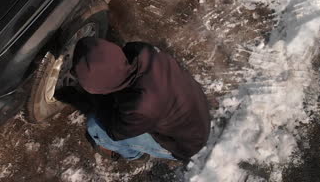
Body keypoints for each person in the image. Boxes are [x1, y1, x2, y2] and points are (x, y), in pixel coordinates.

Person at [56, 37, 211, 163]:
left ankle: (134, 155)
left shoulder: (142, 106)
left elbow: (115, 131)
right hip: (195, 110)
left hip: (184, 143)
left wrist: (82, 100)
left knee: (97, 129)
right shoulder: (141, 51)